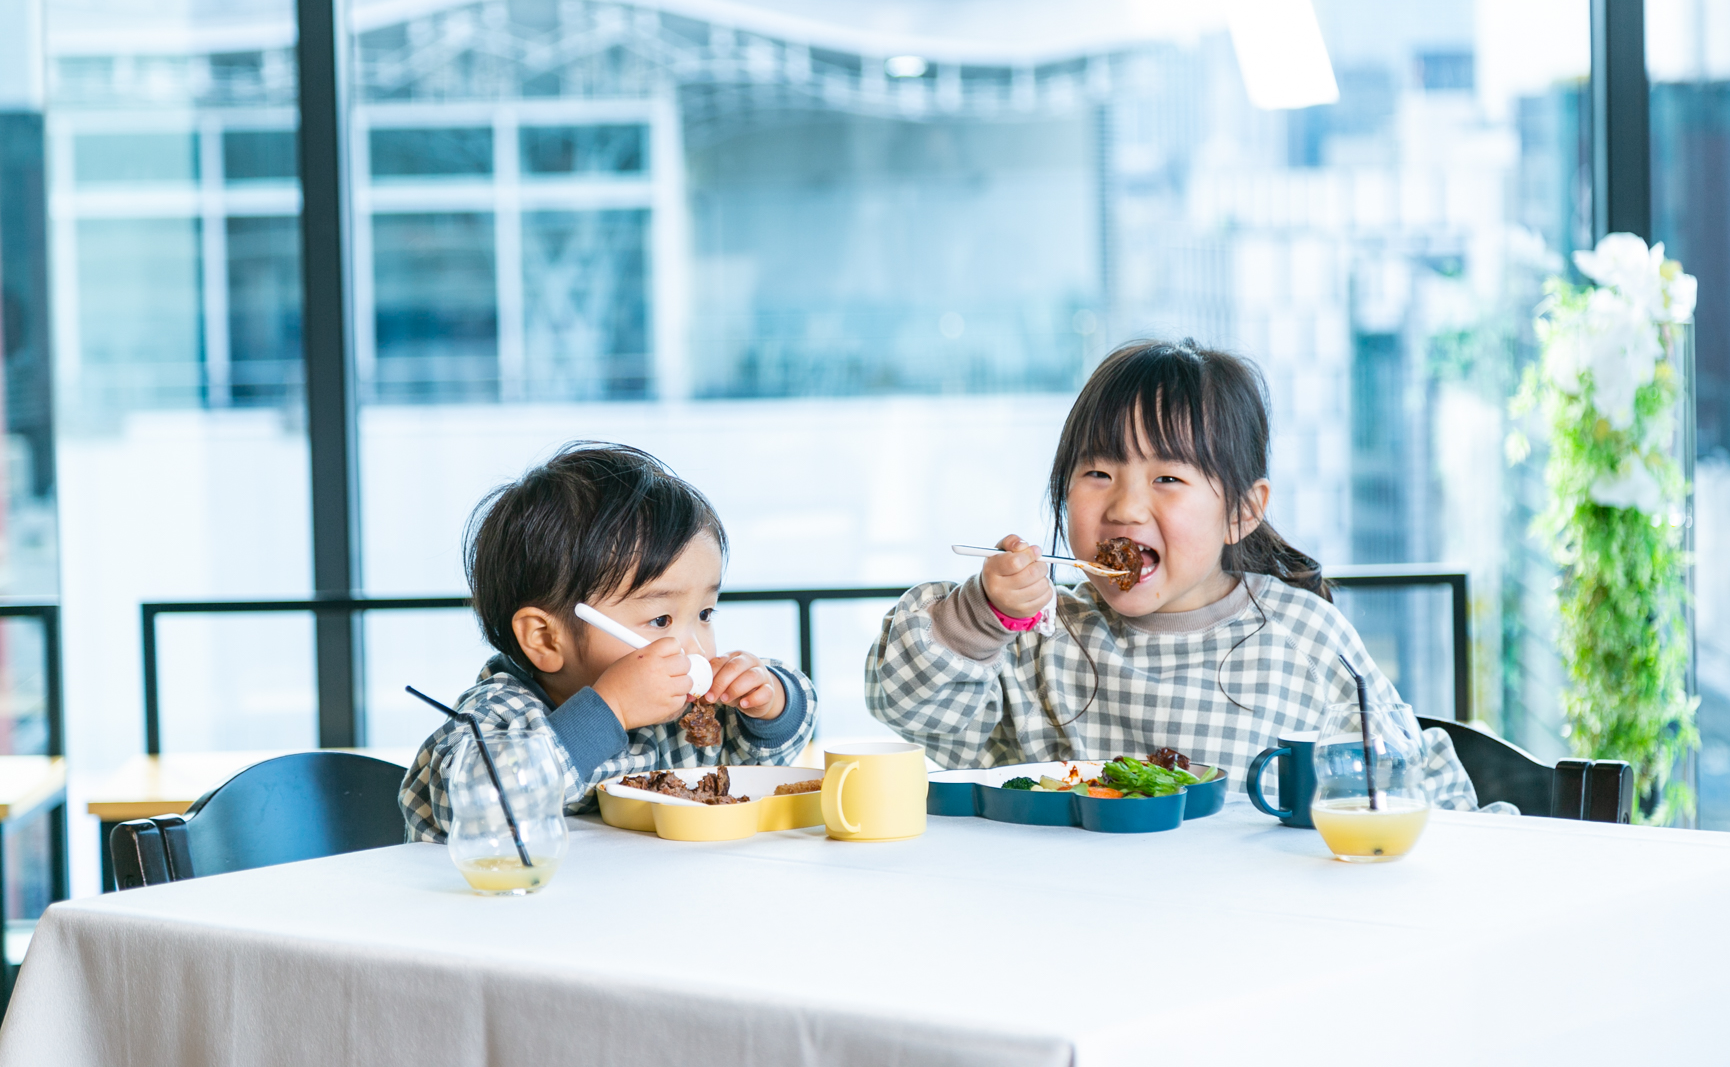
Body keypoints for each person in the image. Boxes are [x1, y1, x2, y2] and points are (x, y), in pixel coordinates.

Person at [865, 339, 1487, 811]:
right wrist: (980, 614)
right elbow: (907, 707)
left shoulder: (1303, 639)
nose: (1126, 508)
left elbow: (1416, 784)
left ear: (1241, 511)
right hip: (1062, 914)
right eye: (1098, 473)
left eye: (1167, 478)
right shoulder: (1039, 635)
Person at [400, 442, 816, 841]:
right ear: (545, 639)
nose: (696, 651)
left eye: (705, 614)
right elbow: (474, 806)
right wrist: (610, 710)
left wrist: (768, 704)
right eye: (660, 619)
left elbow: (763, 762)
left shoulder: (679, 716)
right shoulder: (498, 717)